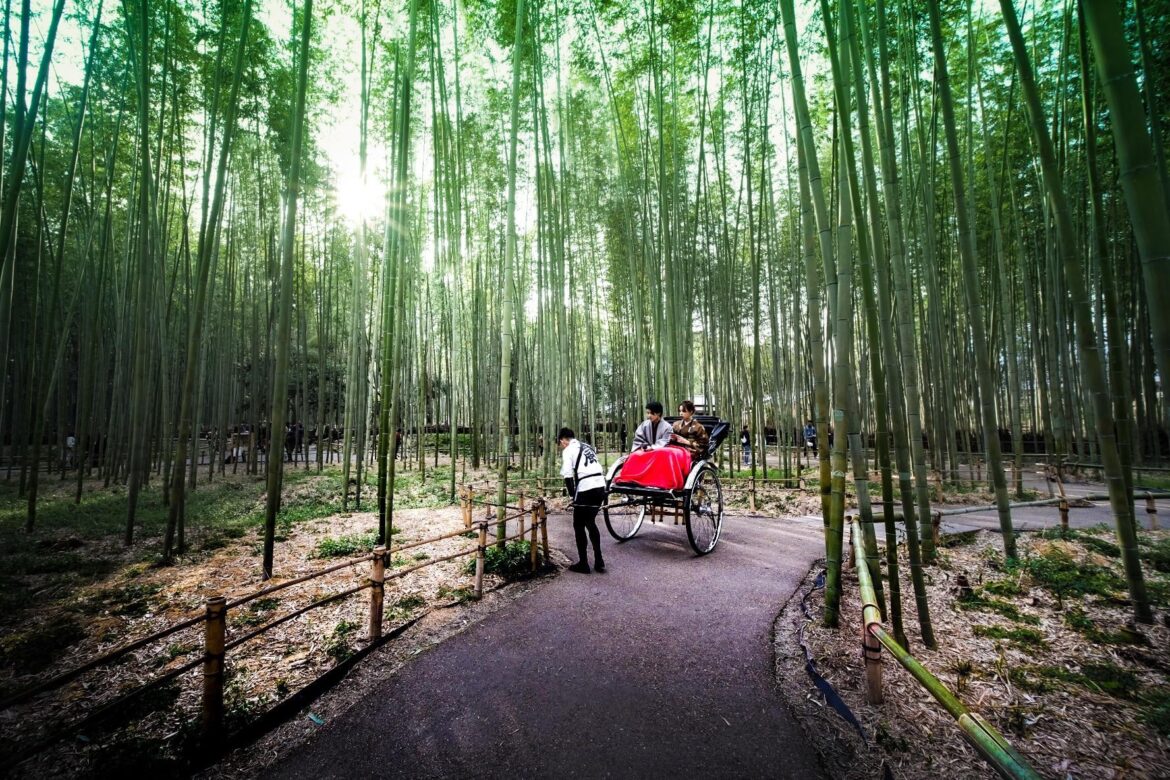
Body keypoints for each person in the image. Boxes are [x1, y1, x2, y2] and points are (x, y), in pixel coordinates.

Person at [559, 427, 606, 574]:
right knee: (590, 522)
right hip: (600, 486)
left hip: (586, 488)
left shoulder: (568, 450)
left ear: (563, 441)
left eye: (561, 443)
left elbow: (567, 475)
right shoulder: (587, 446)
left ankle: (584, 563)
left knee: (578, 524)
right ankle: (599, 561)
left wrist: (573, 496)